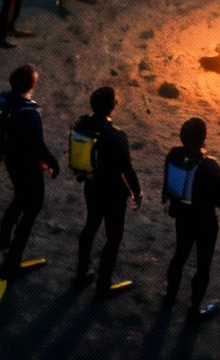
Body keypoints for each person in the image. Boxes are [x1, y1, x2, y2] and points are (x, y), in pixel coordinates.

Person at [71, 86, 142, 294]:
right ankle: (104, 282)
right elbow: (127, 169)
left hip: (92, 186)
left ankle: (82, 269)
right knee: (113, 236)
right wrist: (136, 191)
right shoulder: (117, 136)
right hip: (113, 192)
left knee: (91, 225)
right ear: (111, 107)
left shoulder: (83, 127)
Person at [0, 63, 59, 276]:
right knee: (32, 208)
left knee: (19, 197)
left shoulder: (5, 100)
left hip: (11, 158)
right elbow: (38, 144)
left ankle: (3, 237)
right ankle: (13, 260)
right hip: (28, 164)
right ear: (31, 85)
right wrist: (52, 162)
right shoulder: (30, 111)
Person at [162, 117, 220, 319]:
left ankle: (170, 295)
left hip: (183, 217)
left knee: (179, 255)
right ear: (204, 138)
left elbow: (167, 184)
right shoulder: (210, 165)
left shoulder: (173, 155)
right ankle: (194, 310)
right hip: (205, 221)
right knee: (203, 265)